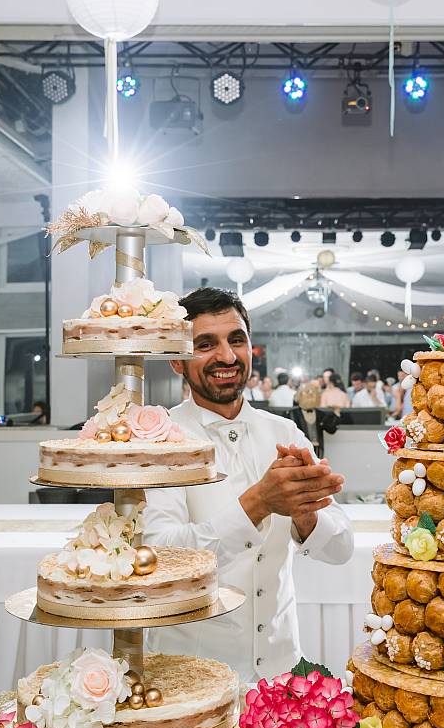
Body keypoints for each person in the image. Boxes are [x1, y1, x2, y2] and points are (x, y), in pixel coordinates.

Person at [143, 288, 354, 681]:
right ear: (176, 360)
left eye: (236, 340)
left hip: (281, 672)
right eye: (206, 344)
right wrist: (258, 502)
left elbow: (342, 548)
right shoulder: (159, 441)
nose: (227, 356)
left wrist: (305, 515)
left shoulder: (285, 432)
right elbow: (162, 560)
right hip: (190, 677)